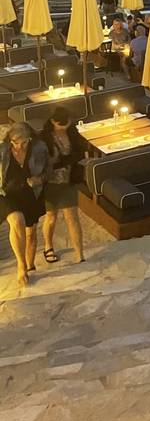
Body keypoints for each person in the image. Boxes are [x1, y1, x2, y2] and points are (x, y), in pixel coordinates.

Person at [0, 122, 51, 287]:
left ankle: (30, 265)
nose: (19, 147)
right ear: (10, 140)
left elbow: (48, 170)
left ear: (30, 139)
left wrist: (39, 179)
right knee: (17, 221)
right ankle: (21, 265)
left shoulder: (39, 148)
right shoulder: (3, 149)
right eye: (15, 143)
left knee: (31, 232)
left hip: (31, 193)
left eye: (23, 143)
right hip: (7, 194)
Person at [40, 107, 85, 264]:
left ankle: (79, 254)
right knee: (51, 217)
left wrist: (67, 161)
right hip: (50, 183)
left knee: (72, 216)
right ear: (53, 121)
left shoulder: (72, 132)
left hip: (68, 180)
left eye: (67, 122)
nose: (65, 126)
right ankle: (48, 245)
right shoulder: (44, 137)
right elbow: (41, 162)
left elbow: (81, 150)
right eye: (62, 123)